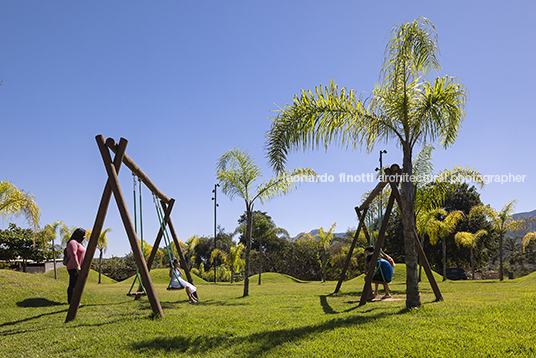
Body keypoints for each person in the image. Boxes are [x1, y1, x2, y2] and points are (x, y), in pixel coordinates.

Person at [66, 228, 86, 304]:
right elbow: (73, 254)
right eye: (84, 235)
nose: (84, 237)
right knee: (73, 284)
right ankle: (71, 301)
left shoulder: (79, 243)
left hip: (79, 268)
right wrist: (77, 266)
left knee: (77, 284)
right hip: (73, 267)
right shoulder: (72, 243)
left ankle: (75, 300)